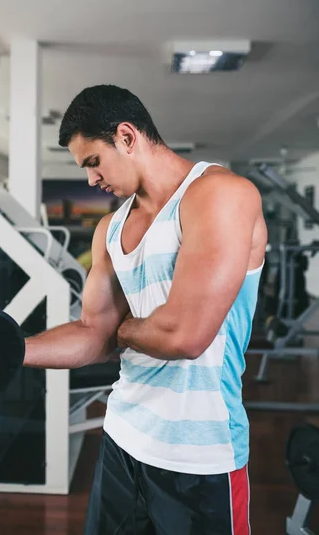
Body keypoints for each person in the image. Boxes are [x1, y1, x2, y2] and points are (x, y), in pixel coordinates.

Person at [24, 84, 267, 534]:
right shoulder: (109, 230)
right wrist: (6, 348)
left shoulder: (218, 195)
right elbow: (90, 331)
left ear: (127, 136)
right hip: (122, 438)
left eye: (93, 162)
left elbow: (184, 337)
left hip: (200, 454)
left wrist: (118, 331)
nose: (91, 181)